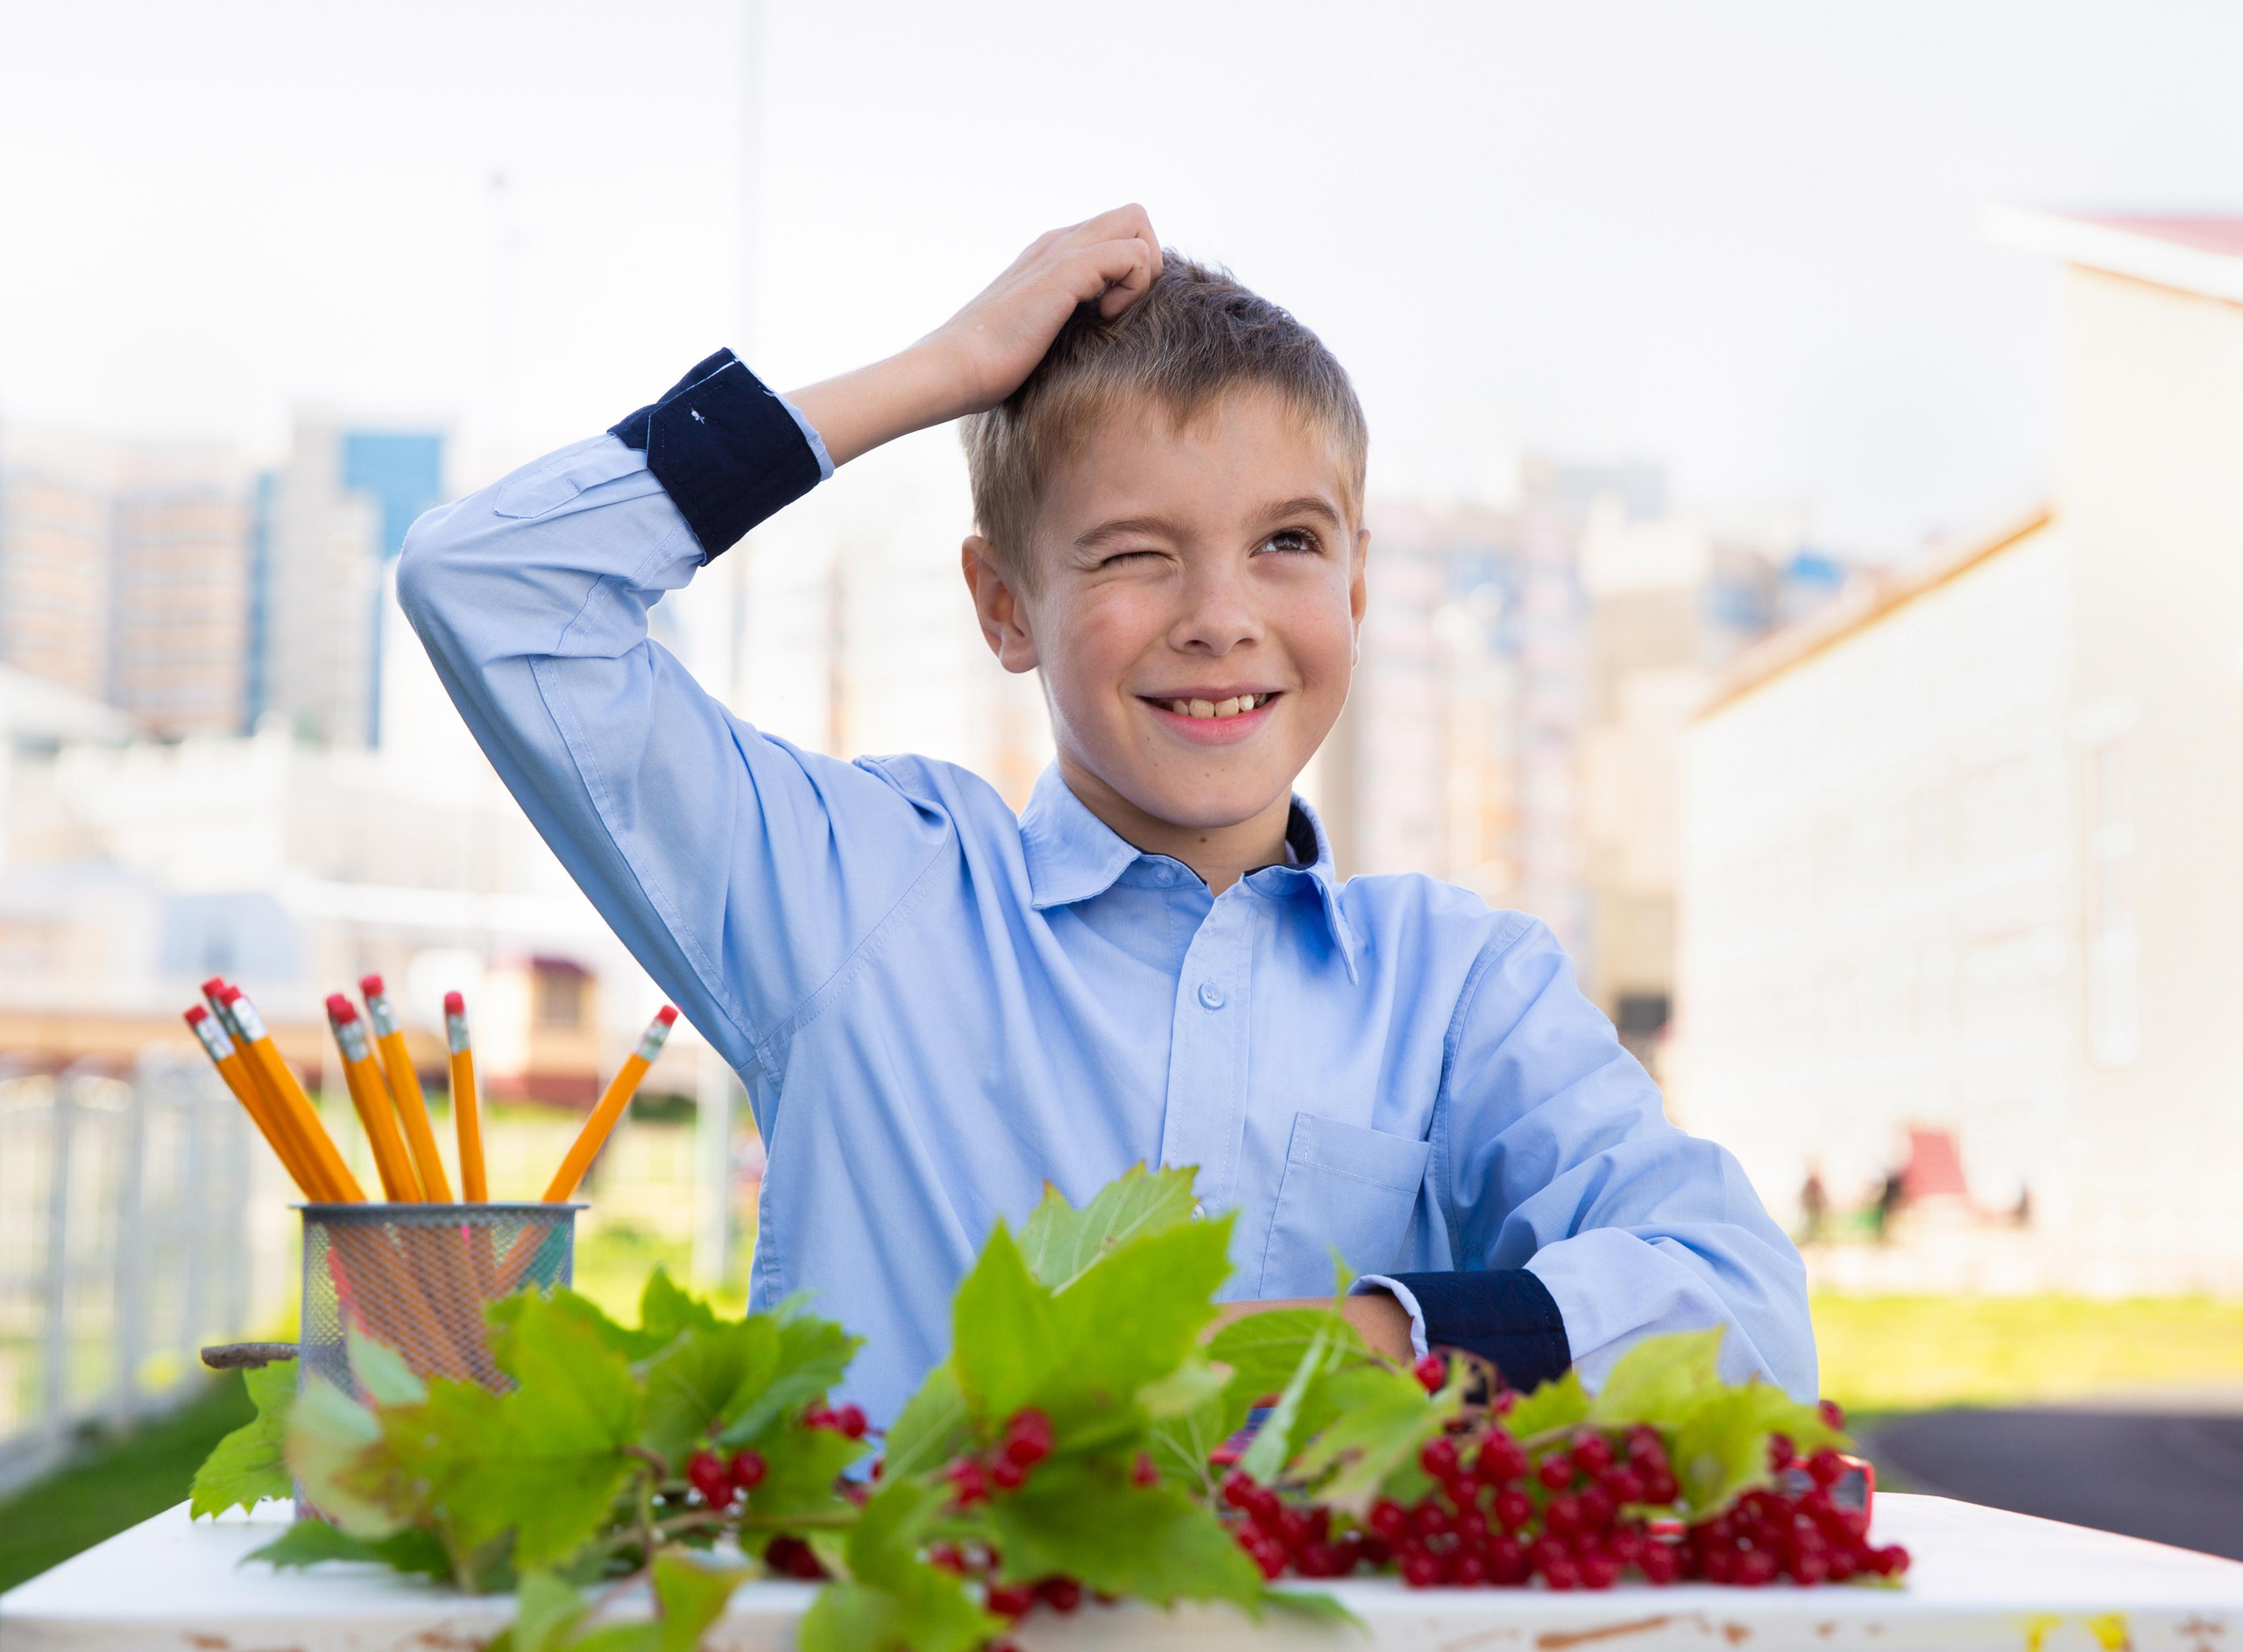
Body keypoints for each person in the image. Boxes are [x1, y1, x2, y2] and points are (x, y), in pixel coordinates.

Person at [399, 206, 1812, 1422]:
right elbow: (493, 588)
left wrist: (1361, 1339)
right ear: (1005, 605)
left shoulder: (1457, 990)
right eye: (1138, 555)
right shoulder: (862, 897)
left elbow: (1748, 1311)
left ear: (1361, 585)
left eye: (1288, 544)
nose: (1221, 619)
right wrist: (942, 371)